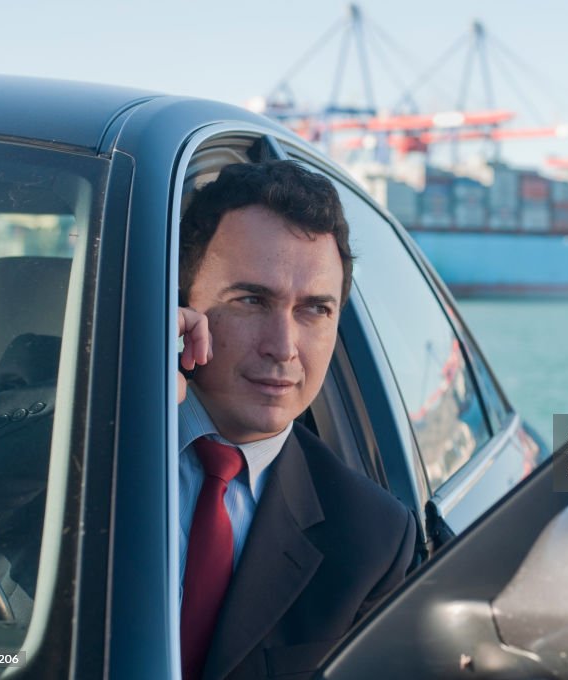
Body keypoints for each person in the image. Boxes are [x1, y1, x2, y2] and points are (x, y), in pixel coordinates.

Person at [175, 161, 416, 680]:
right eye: (250, 300)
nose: (284, 348)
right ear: (181, 305)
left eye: (314, 310)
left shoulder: (372, 538)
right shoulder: (72, 443)